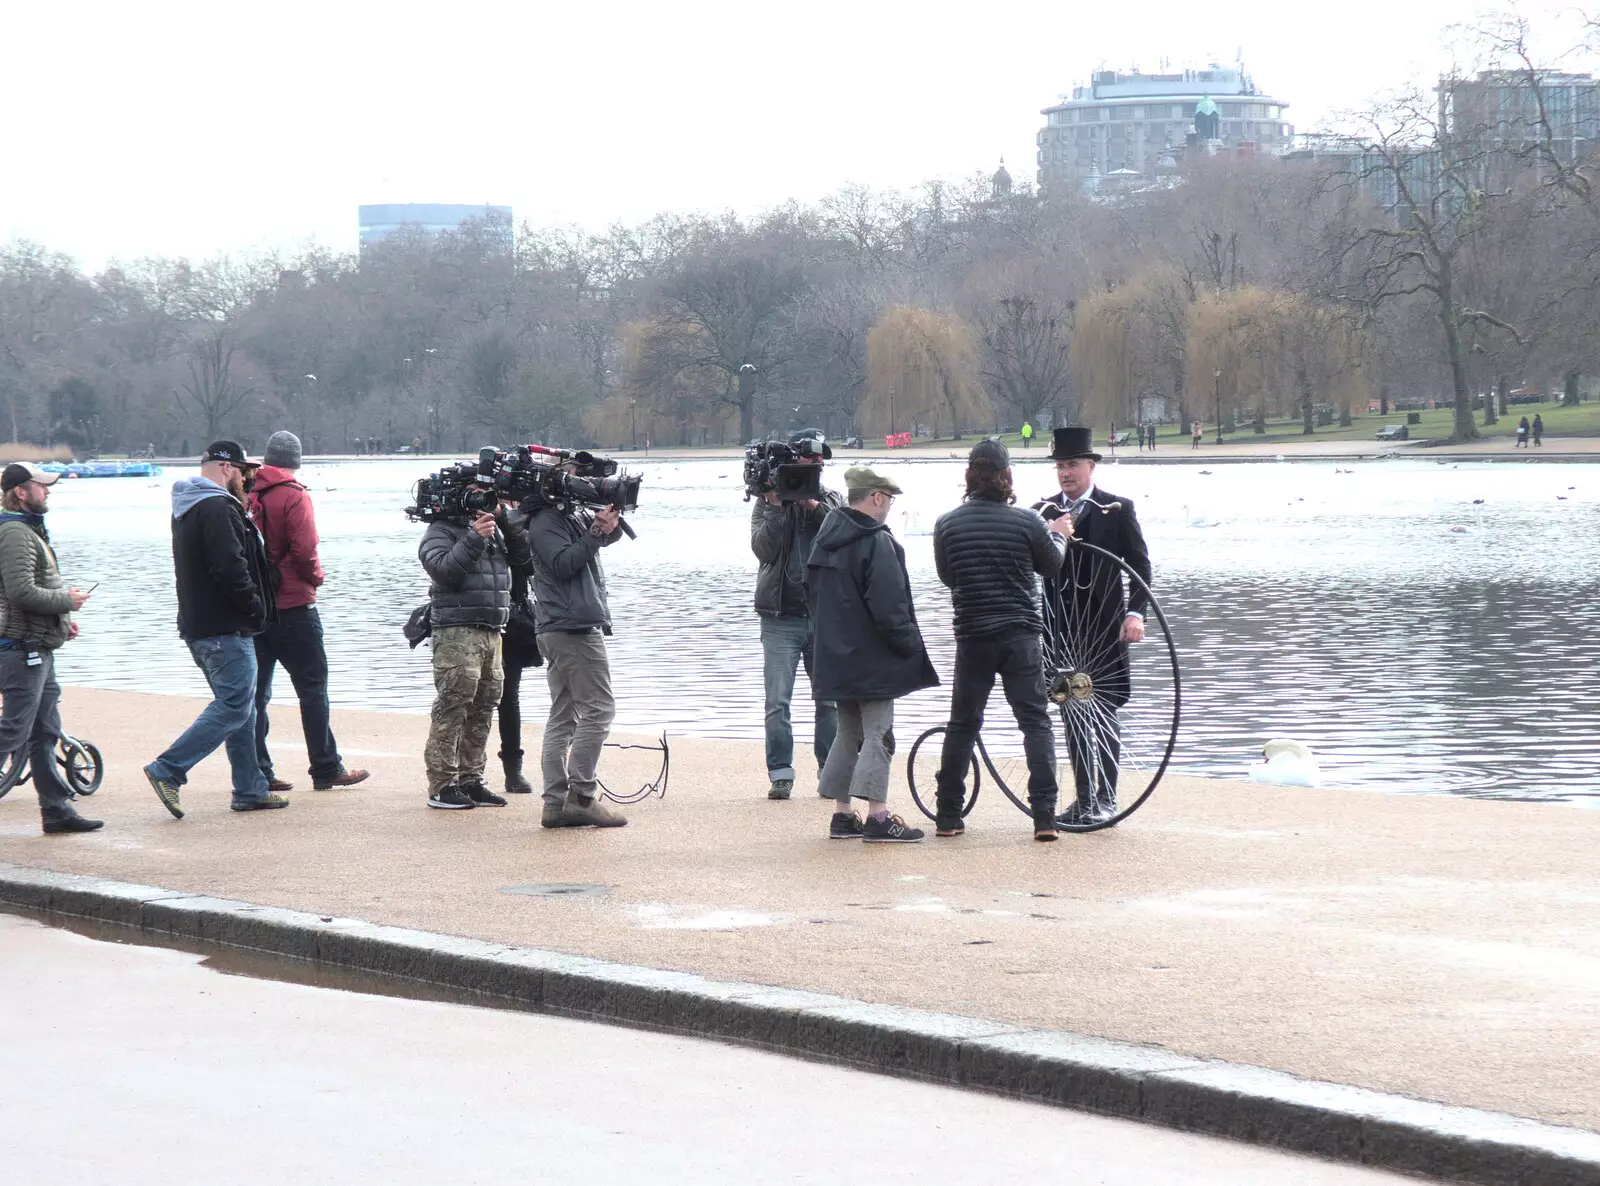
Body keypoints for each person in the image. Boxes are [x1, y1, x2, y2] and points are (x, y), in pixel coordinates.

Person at [932, 439, 1072, 842]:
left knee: (962, 724)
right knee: (1034, 722)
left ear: (968, 477)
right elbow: (1052, 565)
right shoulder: (1028, 522)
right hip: (1020, 637)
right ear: (1007, 477)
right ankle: (1044, 816)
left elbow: (948, 577)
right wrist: (1058, 533)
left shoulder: (946, 524)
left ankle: (948, 816)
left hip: (973, 636)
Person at [144, 442, 284, 818]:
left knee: (243, 709)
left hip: (200, 625)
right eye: (243, 471)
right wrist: (255, 609)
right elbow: (230, 567)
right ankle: (169, 769)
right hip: (224, 627)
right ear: (226, 468)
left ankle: (250, 789)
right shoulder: (218, 506)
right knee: (235, 704)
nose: (247, 479)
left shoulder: (188, 507)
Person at [807, 466, 938, 842]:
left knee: (848, 733)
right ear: (876, 497)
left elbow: (809, 596)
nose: (890, 506)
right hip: (871, 658)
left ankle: (843, 815)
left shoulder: (824, 538)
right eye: (889, 499)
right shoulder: (876, 541)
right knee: (878, 734)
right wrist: (910, 647)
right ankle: (879, 816)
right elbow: (890, 607)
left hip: (833, 657)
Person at [1034, 426, 1152, 826]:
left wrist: (1136, 614)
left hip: (1103, 628)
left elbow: (1140, 566)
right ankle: (1083, 798)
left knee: (1103, 710)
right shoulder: (1044, 512)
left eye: (1073, 465)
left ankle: (1106, 797)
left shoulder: (1116, 509)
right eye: (1060, 466)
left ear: (1090, 466)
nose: (1066, 473)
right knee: (1071, 711)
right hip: (1060, 629)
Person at [248, 431, 368, 795]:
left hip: (255, 608)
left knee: (257, 695)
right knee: (313, 689)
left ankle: (258, 772)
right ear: (296, 461)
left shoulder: (248, 494)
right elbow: (304, 550)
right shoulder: (295, 495)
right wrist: (316, 578)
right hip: (294, 606)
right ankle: (325, 767)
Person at [525, 463, 628, 828]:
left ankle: (555, 804)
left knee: (564, 714)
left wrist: (605, 528)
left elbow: (588, 544)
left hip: (562, 625)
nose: (580, 485)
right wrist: (595, 536)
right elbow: (564, 564)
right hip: (571, 628)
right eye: (571, 478)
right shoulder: (544, 522)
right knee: (599, 710)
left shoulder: (558, 516)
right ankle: (582, 796)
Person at [418, 481, 530, 810]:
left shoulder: (495, 527)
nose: (483, 499)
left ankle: (471, 779)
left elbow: (526, 561)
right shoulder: (440, 530)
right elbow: (443, 572)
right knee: (452, 707)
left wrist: (506, 520)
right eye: (476, 492)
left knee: (484, 708)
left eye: (487, 492)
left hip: (492, 630)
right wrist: (472, 538)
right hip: (455, 631)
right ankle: (441, 785)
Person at [0, 463, 98, 834]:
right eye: (42, 486)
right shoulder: (14, 533)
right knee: (13, 731)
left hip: (38, 645)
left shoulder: (27, 530)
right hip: (21, 650)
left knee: (45, 731)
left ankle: (56, 812)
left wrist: (60, 620)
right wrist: (65, 601)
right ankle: (57, 811)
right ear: (21, 492)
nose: (48, 492)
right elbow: (20, 592)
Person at [750, 429, 841, 800]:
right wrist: (775, 507)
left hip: (822, 613)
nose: (814, 467)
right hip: (780, 615)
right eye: (808, 460)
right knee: (778, 701)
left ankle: (830, 770)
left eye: (819, 462)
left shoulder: (830, 499)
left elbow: (842, 534)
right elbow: (763, 551)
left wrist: (812, 507)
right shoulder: (768, 501)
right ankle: (781, 773)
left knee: (830, 698)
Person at [494, 505, 541, 795]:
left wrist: (505, 518)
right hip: (474, 615)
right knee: (469, 698)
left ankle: (513, 770)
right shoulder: (455, 521)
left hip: (511, 619)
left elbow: (527, 562)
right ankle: (461, 771)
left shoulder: (518, 519)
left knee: (509, 696)